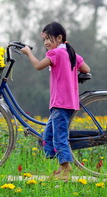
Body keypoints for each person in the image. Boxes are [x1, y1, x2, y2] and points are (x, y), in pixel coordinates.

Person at [20, 22, 90, 179]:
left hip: (60, 102)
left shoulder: (55, 54)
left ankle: (66, 171)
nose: (45, 43)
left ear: (59, 38)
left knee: (59, 136)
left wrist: (28, 53)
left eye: (48, 39)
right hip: (69, 101)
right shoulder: (71, 54)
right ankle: (60, 166)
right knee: (49, 133)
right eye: (44, 40)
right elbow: (86, 69)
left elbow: (38, 66)